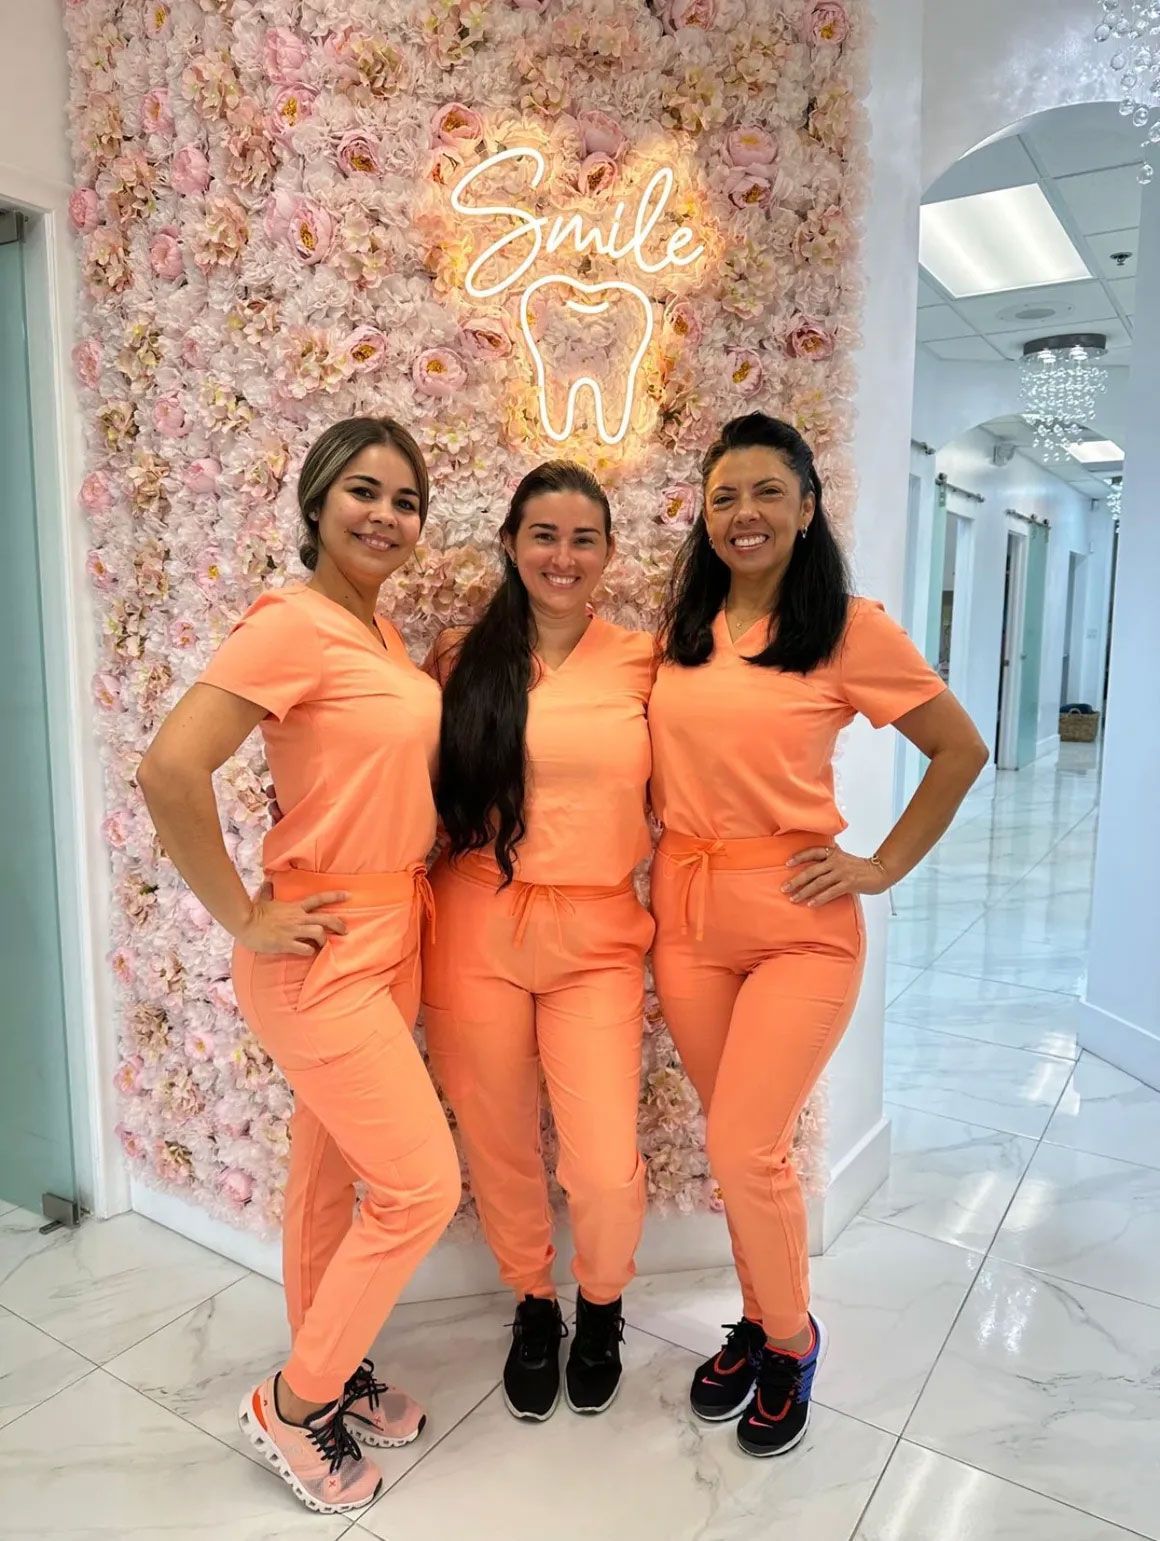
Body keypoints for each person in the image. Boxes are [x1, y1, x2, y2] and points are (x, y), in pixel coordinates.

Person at [137, 417, 461, 1517]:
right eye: (363, 491)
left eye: (406, 499)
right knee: (421, 1183)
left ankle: (337, 1359)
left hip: (394, 930)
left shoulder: (378, 635)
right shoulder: (290, 623)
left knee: (332, 1176)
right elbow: (170, 766)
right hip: (316, 946)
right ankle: (292, 1399)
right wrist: (242, 912)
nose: (385, 514)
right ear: (317, 503)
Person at [649, 413, 988, 1459]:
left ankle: (790, 1340)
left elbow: (957, 748)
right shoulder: (680, 632)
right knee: (735, 1144)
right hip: (686, 915)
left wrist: (880, 865)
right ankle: (756, 1318)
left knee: (747, 1141)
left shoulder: (846, 628)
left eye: (764, 492)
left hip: (797, 921)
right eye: (722, 497)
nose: (742, 514)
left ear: (804, 507)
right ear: (702, 517)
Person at [421, 461, 655, 1422]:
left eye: (583, 538)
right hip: (476, 916)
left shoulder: (644, 659)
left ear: (606, 553)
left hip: (597, 928)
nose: (563, 556)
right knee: (499, 1138)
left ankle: (601, 1303)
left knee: (600, 1159)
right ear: (513, 543)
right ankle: (533, 1301)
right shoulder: (457, 655)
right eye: (545, 535)